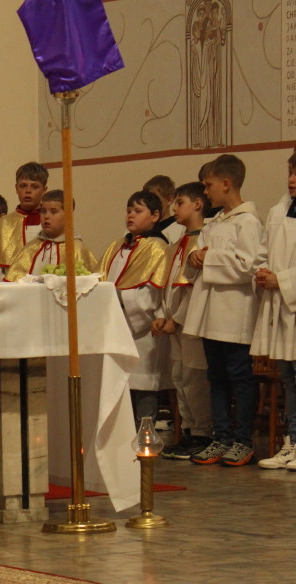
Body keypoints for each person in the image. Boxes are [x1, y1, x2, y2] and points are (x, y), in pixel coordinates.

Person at [183, 154, 266, 467]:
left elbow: (249, 266)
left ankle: (242, 441)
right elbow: (199, 255)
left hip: (235, 313)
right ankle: (221, 437)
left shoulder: (249, 222)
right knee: (216, 378)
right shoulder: (215, 222)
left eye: (209, 185)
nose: (205, 192)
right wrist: (194, 258)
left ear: (227, 184)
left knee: (239, 379)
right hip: (210, 312)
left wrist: (210, 258)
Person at [99, 190, 172, 426]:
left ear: (155, 216)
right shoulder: (117, 246)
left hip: (142, 327)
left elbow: (153, 292)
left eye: (138, 211)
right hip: (116, 324)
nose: (131, 215)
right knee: (118, 384)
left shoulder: (157, 247)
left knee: (142, 384)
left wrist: (121, 300)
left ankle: (144, 432)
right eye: (129, 210)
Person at [153, 182, 213, 459]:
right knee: (179, 378)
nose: (174, 208)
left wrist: (175, 319)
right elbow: (167, 285)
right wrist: (162, 314)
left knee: (194, 379)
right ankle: (188, 431)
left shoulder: (203, 242)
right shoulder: (178, 244)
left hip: (191, 323)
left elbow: (194, 288)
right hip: (174, 321)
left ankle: (202, 433)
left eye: (180, 202)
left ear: (198, 204)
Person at [251, 153, 296, 469]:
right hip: (283, 309)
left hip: (289, 295)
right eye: (290, 172)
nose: (292, 179)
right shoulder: (279, 211)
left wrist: (282, 280)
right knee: (289, 379)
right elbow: (262, 252)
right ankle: (291, 442)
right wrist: (263, 271)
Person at [3, 189, 98, 280]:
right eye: (43, 211)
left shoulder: (77, 250)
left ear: (68, 215)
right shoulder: (30, 248)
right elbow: (13, 284)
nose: (46, 216)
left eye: (53, 211)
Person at [142, 174, 186, 245]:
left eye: (155, 199)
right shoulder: (142, 227)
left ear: (169, 200)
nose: (151, 204)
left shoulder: (178, 228)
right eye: (147, 200)